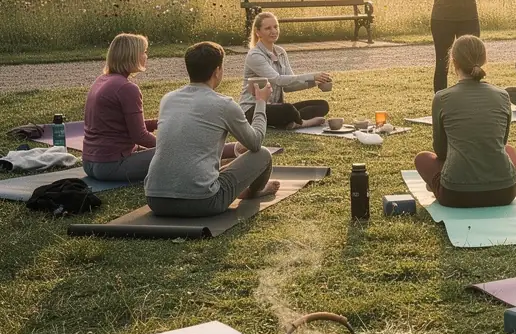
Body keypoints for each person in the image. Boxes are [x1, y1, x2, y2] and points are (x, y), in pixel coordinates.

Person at [146, 42, 279, 218]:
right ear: (217, 71)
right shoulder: (224, 104)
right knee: (262, 154)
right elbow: (255, 143)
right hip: (203, 202)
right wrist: (261, 101)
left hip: (156, 200)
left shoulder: (167, 99)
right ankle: (255, 191)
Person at [414, 35, 516, 208]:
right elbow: (501, 142)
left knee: (422, 158)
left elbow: (440, 150)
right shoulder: (502, 95)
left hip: (456, 195)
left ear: (454, 62)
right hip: (505, 192)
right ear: (484, 60)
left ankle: (436, 184)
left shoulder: (442, 97)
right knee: (509, 150)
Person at [82, 33, 158, 183]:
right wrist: (170, 144)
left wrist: (158, 122)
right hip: (111, 166)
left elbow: (119, 125)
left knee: (165, 151)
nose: (146, 56)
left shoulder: (102, 80)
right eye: (144, 52)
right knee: (177, 153)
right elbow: (139, 136)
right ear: (132, 56)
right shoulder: (127, 88)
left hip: (89, 163)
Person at [240, 12, 331, 129]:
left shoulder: (281, 52)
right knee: (287, 109)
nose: (273, 31)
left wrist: (315, 82)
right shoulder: (255, 55)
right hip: (253, 109)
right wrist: (313, 75)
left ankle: (292, 120)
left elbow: (289, 86)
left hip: (275, 106)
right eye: (268, 28)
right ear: (258, 32)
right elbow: (278, 80)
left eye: (275, 27)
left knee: (322, 105)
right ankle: (302, 123)